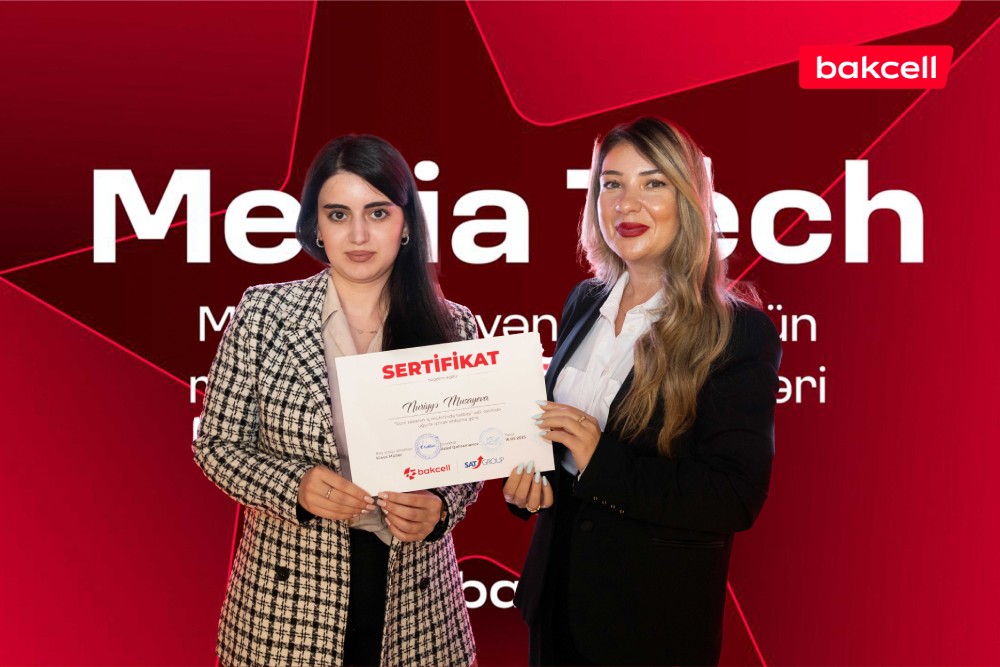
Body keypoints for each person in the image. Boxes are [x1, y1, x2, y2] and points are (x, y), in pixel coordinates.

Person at [503, 117, 782, 666]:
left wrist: (600, 458)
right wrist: (533, 484)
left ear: (689, 200)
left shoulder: (737, 332)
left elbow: (734, 495)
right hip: (555, 607)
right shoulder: (584, 301)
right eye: (612, 183)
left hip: (650, 626)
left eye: (653, 183)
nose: (626, 203)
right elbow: (564, 464)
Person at [194, 134, 481, 667]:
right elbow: (216, 446)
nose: (358, 235)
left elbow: (472, 457)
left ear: (407, 224)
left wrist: (442, 506)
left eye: (378, 212)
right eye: (338, 214)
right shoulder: (263, 314)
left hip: (418, 604)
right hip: (286, 603)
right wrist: (294, 485)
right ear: (316, 227)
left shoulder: (455, 326)